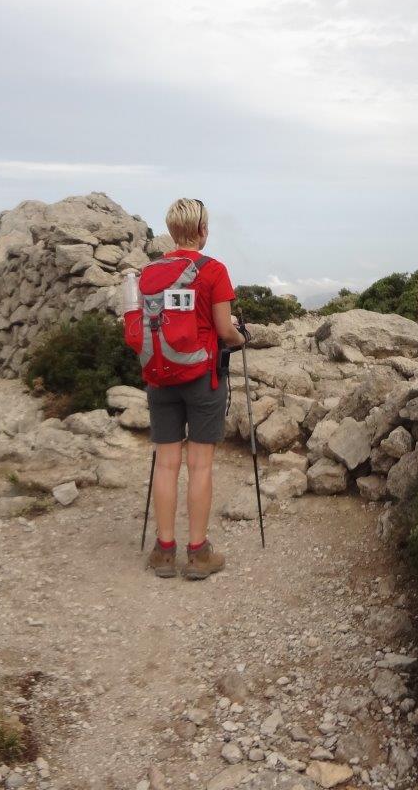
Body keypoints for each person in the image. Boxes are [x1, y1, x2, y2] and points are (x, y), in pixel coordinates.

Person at [144, 198, 247, 580]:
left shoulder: (150, 272)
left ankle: (164, 551)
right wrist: (241, 338)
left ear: (172, 230)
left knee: (166, 463)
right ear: (202, 230)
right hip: (204, 378)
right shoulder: (214, 270)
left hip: (160, 376)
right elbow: (224, 330)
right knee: (199, 465)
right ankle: (198, 553)